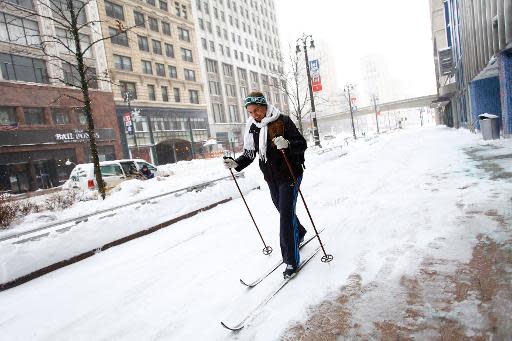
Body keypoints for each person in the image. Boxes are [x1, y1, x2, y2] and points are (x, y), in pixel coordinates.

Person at [223, 91, 308, 279]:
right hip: (272, 178)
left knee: (285, 216)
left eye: (257, 110)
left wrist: (287, 144)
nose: (254, 115)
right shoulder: (253, 127)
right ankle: (300, 231)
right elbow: (250, 154)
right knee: (283, 210)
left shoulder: (283, 121)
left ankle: (291, 260)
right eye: (251, 112)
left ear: (264, 106)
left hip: (290, 175)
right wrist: (236, 164)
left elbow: (301, 143)